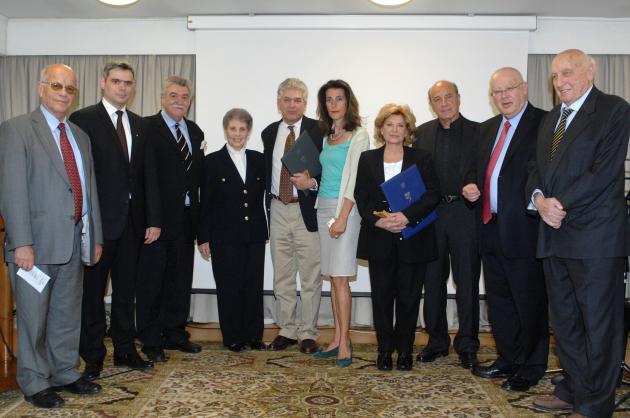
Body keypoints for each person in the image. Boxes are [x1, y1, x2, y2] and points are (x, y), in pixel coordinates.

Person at [527, 49, 630, 418]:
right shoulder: (551, 118)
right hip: (554, 236)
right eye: (555, 76)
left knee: (599, 326)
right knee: (566, 323)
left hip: (595, 240)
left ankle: (596, 404)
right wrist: (539, 200)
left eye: (568, 73)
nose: (560, 82)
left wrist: (558, 204)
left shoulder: (613, 109)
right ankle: (575, 388)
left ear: (591, 71)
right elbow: (535, 169)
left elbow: (603, 172)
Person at [0, 64, 103, 408]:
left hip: (73, 241)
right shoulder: (17, 129)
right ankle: (34, 381)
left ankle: (64, 372)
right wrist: (21, 243)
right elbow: (12, 190)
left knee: (66, 314)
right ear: (40, 88)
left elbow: (89, 190)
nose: (63, 93)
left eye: (70, 88)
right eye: (57, 86)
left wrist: (95, 236)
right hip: (35, 245)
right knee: (33, 318)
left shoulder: (79, 135)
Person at [69, 61, 159, 380]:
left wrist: (153, 219)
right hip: (98, 225)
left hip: (134, 225)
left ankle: (125, 350)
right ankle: (93, 355)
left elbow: (148, 175)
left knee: (125, 292)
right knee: (93, 294)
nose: (122, 87)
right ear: (103, 82)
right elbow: (80, 175)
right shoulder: (82, 120)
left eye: (128, 83)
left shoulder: (140, 124)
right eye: (117, 81)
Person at [462, 67, 549, 392]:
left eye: (509, 88)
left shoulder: (543, 123)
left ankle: (531, 366)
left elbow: (543, 172)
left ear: (523, 88)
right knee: (499, 301)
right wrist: (470, 184)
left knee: (529, 301)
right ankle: (508, 358)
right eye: (497, 92)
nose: (503, 96)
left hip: (524, 228)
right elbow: (476, 170)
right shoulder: (487, 129)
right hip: (489, 226)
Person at [354, 104, 440, 371]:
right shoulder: (367, 158)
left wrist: (406, 217)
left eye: (400, 125)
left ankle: (404, 352)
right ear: (381, 129)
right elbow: (361, 197)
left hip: (412, 238)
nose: (394, 130)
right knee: (381, 299)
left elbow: (432, 195)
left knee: (409, 299)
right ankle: (384, 351)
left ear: (407, 131)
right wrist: (379, 221)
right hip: (379, 239)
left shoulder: (421, 158)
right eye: (389, 124)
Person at [413, 80, 481, 369]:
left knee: (467, 281)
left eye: (448, 96)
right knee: (432, 281)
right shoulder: (421, 133)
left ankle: (467, 344)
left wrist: (477, 185)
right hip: (432, 215)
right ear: (431, 104)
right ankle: (437, 341)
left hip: (465, 213)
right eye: (437, 99)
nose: (444, 103)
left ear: (459, 98)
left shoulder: (479, 131)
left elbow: (485, 170)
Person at [136, 76, 204, 361]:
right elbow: (144, 176)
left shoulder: (195, 131)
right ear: (162, 98)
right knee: (152, 282)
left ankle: (175, 334)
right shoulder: (146, 128)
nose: (179, 101)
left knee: (180, 280)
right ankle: (151, 340)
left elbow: (196, 178)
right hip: (157, 221)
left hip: (186, 219)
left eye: (185, 97)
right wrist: (152, 219)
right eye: (174, 95)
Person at [262, 78, 324, 354]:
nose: (291, 105)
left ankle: (307, 332)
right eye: (286, 99)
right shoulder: (268, 133)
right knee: (283, 274)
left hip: (306, 209)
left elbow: (330, 170)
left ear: (305, 103)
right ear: (279, 103)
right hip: (277, 208)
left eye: (297, 100)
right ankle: (287, 329)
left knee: (310, 275)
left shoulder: (319, 130)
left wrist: (313, 183)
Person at [197, 108, 268, 352]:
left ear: (248, 132)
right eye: (233, 129)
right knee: (229, 287)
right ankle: (233, 336)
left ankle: (254, 335)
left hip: (254, 234)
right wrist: (203, 237)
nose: (237, 134)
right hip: (224, 235)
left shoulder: (259, 160)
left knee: (253, 285)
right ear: (225, 130)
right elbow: (205, 202)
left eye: (242, 129)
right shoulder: (211, 162)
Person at [311, 80, 369, 367]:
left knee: (342, 277)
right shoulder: (327, 135)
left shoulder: (359, 135)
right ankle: (336, 338)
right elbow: (326, 175)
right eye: (329, 99)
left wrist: (344, 217)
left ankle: (345, 342)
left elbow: (355, 179)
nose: (334, 104)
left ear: (349, 102)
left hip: (345, 209)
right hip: (323, 207)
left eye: (339, 98)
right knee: (333, 278)